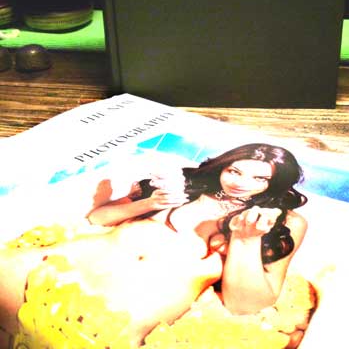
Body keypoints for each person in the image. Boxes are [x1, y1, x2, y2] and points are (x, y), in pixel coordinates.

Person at [0, 143, 310, 348]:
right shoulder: (185, 183)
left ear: (276, 182)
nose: (240, 182)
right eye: (234, 171)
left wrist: (245, 239)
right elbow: (97, 218)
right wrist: (148, 203)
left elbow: (245, 305)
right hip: (58, 266)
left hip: (120, 308)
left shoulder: (282, 223)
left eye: (259, 178)